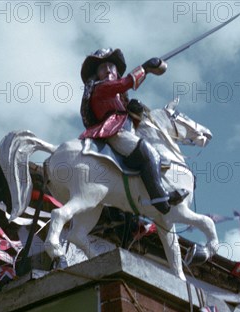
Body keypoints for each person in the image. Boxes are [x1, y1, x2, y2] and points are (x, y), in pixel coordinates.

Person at [79, 48, 188, 214]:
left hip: (123, 129)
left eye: (111, 66)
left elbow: (128, 117)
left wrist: (133, 110)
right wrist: (145, 68)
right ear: (97, 74)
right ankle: (160, 197)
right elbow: (125, 83)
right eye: (103, 67)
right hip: (114, 132)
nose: (108, 70)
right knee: (149, 153)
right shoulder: (101, 87)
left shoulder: (117, 97)